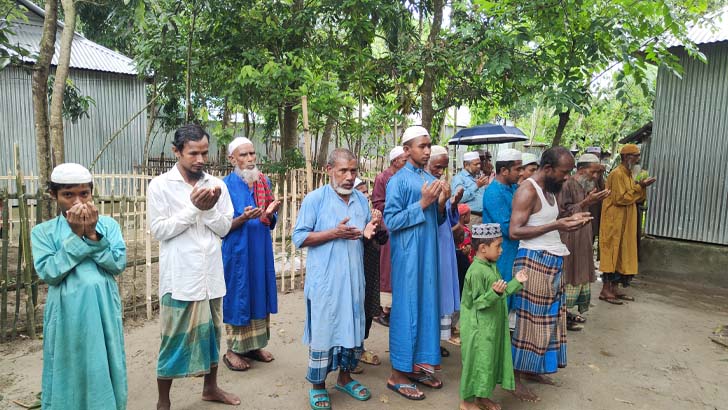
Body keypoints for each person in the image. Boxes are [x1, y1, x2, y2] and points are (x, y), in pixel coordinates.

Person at [147, 124, 239, 410]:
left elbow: (224, 228)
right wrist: (194, 208)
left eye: (204, 152)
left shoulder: (217, 185)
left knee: (213, 334)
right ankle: (164, 401)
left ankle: (210, 388)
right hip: (180, 277)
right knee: (172, 340)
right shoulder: (160, 185)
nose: (200, 159)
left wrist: (209, 208)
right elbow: (159, 230)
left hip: (211, 275)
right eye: (192, 153)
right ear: (177, 152)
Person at [31, 163, 127, 410]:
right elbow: (50, 273)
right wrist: (76, 237)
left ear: (92, 192)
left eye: (83, 193)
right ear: (54, 195)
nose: (77, 201)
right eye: (68, 194)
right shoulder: (43, 232)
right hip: (66, 313)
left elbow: (117, 264)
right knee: (68, 364)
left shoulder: (108, 226)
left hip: (103, 308)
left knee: (105, 361)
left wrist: (93, 235)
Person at [292, 149, 381, 410]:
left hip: (354, 279)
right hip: (326, 282)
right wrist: (334, 233)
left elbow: (363, 234)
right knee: (324, 330)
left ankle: (345, 378)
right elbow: (299, 238)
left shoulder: (361, 201)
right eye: (343, 171)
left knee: (352, 328)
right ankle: (318, 385)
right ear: (330, 169)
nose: (349, 177)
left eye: (353, 171)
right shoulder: (315, 200)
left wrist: (369, 231)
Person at [508, 146, 592, 402]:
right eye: (564, 172)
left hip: (552, 260)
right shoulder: (527, 190)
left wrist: (573, 216)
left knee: (548, 320)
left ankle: (533, 369)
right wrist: (557, 224)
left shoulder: (552, 190)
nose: (567, 177)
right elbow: (514, 231)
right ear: (547, 169)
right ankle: (515, 379)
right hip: (533, 262)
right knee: (527, 323)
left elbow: (546, 220)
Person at [385, 125, 448, 400]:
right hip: (409, 257)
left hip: (428, 256)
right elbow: (391, 221)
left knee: (425, 308)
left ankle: (413, 367)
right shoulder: (397, 181)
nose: (427, 150)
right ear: (407, 150)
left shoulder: (428, 177)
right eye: (421, 146)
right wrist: (422, 203)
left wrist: (442, 204)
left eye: (429, 145)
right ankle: (396, 375)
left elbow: (438, 221)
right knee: (407, 310)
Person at [220, 137, 281, 371]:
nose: (249, 159)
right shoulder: (224, 186)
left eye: (252, 154)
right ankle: (232, 350)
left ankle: (254, 346)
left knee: (259, 294)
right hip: (237, 252)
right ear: (232, 159)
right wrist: (243, 218)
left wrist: (271, 212)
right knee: (239, 296)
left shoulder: (262, 181)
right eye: (243, 155)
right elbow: (221, 226)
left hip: (260, 248)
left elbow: (269, 218)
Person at [459, 223, 528, 410]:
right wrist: (494, 294)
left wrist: (515, 282)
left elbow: (501, 292)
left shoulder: (491, 266)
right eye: (498, 246)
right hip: (478, 329)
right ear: (483, 248)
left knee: (488, 363)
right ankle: (466, 402)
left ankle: (482, 397)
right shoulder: (476, 271)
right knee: (476, 364)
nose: (501, 250)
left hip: (490, 326)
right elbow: (479, 303)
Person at [557, 154, 610, 330]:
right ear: (580, 170)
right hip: (570, 237)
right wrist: (586, 202)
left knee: (579, 274)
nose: (595, 177)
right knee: (569, 274)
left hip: (583, 235)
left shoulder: (585, 185)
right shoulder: (567, 184)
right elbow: (562, 212)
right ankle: (561, 316)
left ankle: (568, 313)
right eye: (592, 172)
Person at [599, 144, 657, 303]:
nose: (638, 159)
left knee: (623, 253)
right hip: (614, 221)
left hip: (627, 220)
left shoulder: (629, 174)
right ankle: (605, 290)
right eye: (635, 155)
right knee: (611, 254)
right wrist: (641, 186)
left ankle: (615, 288)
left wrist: (641, 186)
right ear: (626, 157)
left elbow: (636, 197)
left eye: (638, 155)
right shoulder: (617, 174)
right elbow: (620, 198)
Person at [427, 145, 464, 352]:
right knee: (433, 289)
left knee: (443, 288)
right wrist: (441, 204)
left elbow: (447, 219)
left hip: (444, 240)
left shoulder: (442, 184)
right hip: (433, 243)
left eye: (444, 167)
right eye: (437, 166)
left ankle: (438, 338)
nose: (441, 171)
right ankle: (430, 340)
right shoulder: (424, 184)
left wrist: (452, 204)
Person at [482, 148, 523, 320]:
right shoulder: (493, 192)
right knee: (501, 291)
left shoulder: (513, 187)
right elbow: (507, 228)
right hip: (501, 250)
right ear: (504, 171)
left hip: (513, 248)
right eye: (517, 169)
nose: (520, 173)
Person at [353, 178, 388, 370]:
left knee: (366, 309)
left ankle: (360, 348)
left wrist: (378, 223)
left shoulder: (369, 212)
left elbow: (382, 239)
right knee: (353, 310)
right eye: (361, 191)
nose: (366, 195)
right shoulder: (349, 214)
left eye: (367, 191)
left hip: (370, 267)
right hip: (355, 268)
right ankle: (350, 354)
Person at [372, 146, 407, 326]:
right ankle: (385, 308)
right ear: (395, 162)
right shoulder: (382, 178)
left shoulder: (407, 176)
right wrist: (397, 206)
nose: (406, 163)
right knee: (387, 264)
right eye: (403, 160)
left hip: (403, 221)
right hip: (388, 223)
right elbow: (378, 203)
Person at [452, 151, 488, 225]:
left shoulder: (478, 177)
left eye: (479, 164)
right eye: (475, 164)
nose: (479, 166)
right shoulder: (459, 178)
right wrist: (476, 186)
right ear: (466, 165)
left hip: (484, 216)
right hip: (471, 217)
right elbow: (458, 199)